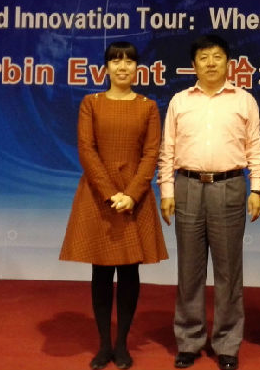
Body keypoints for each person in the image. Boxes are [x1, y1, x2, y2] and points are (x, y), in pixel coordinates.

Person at [158, 34, 260, 370]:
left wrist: (257, 189)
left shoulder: (244, 100)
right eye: (203, 58)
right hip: (187, 187)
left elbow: (255, 148)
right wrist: (166, 192)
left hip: (229, 186)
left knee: (228, 271)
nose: (210, 63)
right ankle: (189, 340)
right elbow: (167, 151)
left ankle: (227, 344)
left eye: (217, 56)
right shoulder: (180, 101)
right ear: (194, 65)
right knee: (189, 270)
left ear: (228, 63)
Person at [60, 41, 168, 370]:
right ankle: (104, 344)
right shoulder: (91, 103)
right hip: (99, 196)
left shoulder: (148, 106)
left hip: (135, 196)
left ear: (137, 68)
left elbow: (151, 154)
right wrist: (111, 194)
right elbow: (86, 149)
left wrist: (131, 194)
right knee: (102, 271)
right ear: (105, 68)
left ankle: (122, 344)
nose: (123, 66)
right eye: (116, 61)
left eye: (129, 61)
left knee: (130, 270)